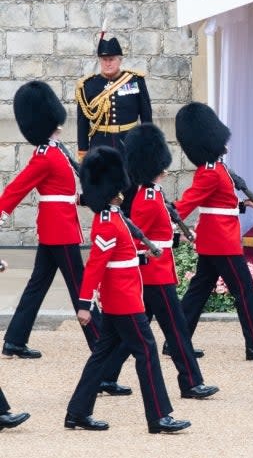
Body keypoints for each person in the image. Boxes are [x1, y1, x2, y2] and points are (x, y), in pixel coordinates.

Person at [65, 147, 190, 434]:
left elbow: (123, 254)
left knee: (101, 356)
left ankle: (77, 412)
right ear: (113, 189)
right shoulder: (107, 223)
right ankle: (159, 416)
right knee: (147, 350)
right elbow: (96, 265)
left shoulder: (114, 215)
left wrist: (145, 256)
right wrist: (84, 304)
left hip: (122, 296)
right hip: (123, 300)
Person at [98, 124, 219, 400]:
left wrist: (180, 238)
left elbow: (158, 235)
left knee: (125, 335)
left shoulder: (151, 194)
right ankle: (190, 382)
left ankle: (106, 376)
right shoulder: (148, 199)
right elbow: (137, 238)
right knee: (177, 331)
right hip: (155, 274)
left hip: (157, 270)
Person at [0, 81, 104, 361]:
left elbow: (71, 189)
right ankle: (100, 343)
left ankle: (14, 340)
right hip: (60, 230)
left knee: (38, 284)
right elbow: (17, 188)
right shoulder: (45, 155)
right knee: (79, 284)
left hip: (58, 226)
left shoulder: (58, 149)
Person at [174, 102, 253, 362]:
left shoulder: (219, 168)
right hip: (221, 242)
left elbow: (221, 203)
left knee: (198, 291)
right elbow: (187, 203)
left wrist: (243, 204)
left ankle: (176, 340)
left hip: (219, 239)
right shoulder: (210, 172)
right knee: (244, 290)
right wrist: (162, 213)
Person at [76, 29, 152, 159]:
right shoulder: (88, 85)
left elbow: (146, 116)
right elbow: (82, 123)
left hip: (129, 144)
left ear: (120, 60)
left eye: (111, 59)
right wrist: (83, 151)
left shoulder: (135, 81)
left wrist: (148, 144)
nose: (108, 63)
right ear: (100, 60)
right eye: (104, 59)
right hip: (99, 146)